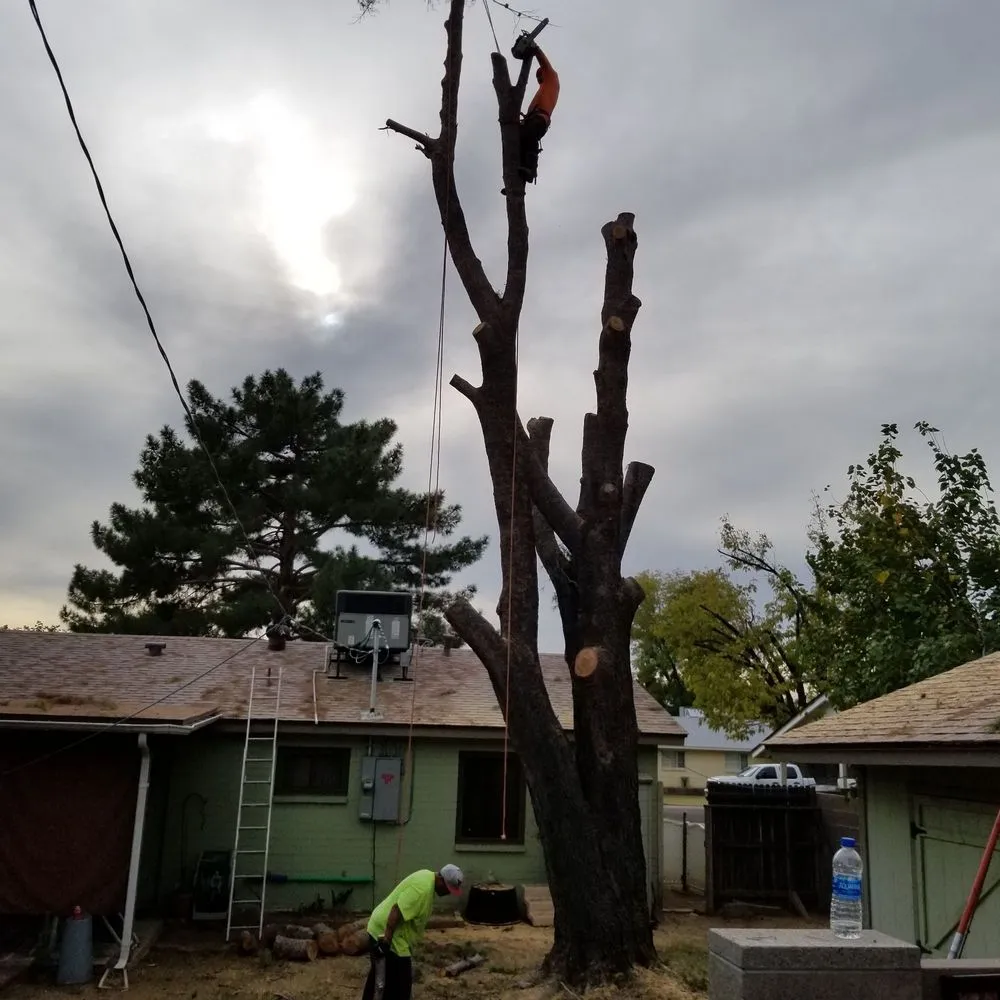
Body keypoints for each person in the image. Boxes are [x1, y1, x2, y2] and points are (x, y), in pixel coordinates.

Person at [361, 864, 464, 1000]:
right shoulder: (422, 889)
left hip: (398, 936)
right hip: (386, 932)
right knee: (397, 983)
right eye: (448, 888)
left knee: (390, 981)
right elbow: (396, 910)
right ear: (441, 879)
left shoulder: (427, 878)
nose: (448, 893)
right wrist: (386, 941)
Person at [512, 44, 560, 189]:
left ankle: (530, 168)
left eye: (540, 74)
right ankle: (515, 181)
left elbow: (544, 64)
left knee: (530, 135)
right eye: (537, 76)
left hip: (540, 120)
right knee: (517, 143)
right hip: (531, 119)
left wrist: (535, 49)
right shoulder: (541, 90)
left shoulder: (552, 80)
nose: (539, 78)